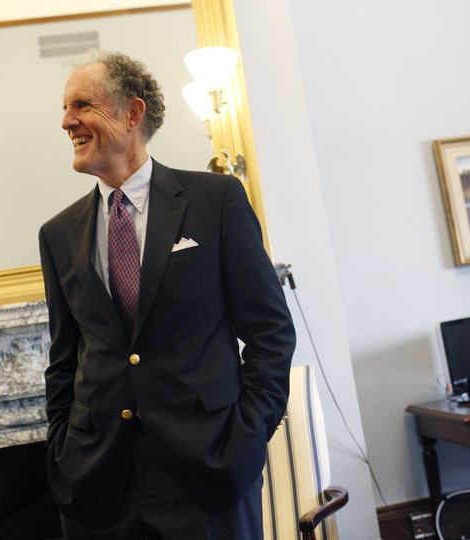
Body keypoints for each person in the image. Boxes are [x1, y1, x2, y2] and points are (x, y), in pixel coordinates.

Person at [38, 49, 296, 539]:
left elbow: (270, 332)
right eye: (65, 108)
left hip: (208, 472)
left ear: (132, 113)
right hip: (98, 485)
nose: (67, 121)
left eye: (82, 105)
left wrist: (249, 432)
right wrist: (62, 447)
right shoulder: (57, 234)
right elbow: (64, 358)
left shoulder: (215, 201)